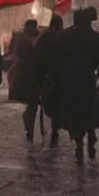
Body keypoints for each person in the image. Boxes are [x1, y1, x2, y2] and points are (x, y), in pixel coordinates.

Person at [54, 8, 99, 162]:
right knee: (89, 113)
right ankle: (91, 142)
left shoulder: (63, 38)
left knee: (75, 116)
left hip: (70, 83)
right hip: (88, 82)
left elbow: (55, 63)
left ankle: (79, 145)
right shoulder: (98, 39)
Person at [7, 19, 41, 142]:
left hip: (35, 74)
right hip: (25, 74)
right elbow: (14, 54)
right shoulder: (20, 38)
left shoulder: (38, 37)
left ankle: (29, 129)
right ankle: (29, 128)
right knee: (31, 102)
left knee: (33, 103)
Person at [33, 15, 64, 146]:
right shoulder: (62, 37)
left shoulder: (43, 38)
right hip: (58, 75)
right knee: (56, 104)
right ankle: (55, 130)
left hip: (45, 76)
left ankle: (50, 131)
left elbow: (36, 53)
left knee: (47, 104)